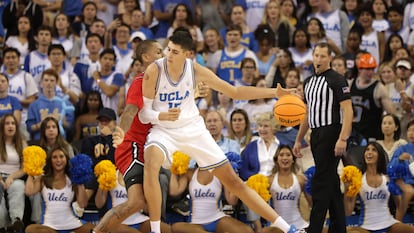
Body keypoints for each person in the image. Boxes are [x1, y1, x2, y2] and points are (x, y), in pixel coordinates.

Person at [140, 31, 304, 233]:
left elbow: (234, 92)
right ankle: (155, 231)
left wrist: (274, 92)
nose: (169, 55)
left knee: (234, 182)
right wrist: (161, 117)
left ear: (188, 54)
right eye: (168, 49)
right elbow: (144, 113)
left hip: (193, 129)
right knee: (151, 162)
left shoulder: (196, 70)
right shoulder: (154, 71)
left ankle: (288, 228)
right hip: (164, 129)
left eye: (175, 52)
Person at [91, 40, 165, 233]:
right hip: (132, 145)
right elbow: (129, 110)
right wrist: (121, 134)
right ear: (146, 57)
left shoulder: (165, 84)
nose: (163, 55)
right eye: (158, 52)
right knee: (136, 201)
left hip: (150, 147)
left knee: (140, 202)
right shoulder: (141, 81)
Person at [293, 42, 353, 233]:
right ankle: (339, 228)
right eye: (316, 55)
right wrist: (298, 139)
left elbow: (348, 110)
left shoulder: (337, 79)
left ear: (330, 58)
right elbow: (307, 114)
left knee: (320, 181)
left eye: (322, 56)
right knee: (330, 181)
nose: (318, 59)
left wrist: (343, 138)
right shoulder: (308, 82)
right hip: (316, 135)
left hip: (331, 132)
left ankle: (315, 228)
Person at [345, 142, 414, 233]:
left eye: (374, 150)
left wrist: (403, 191)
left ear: (380, 156)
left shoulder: (388, 178)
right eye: (367, 150)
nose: (369, 152)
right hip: (366, 228)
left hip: (389, 225)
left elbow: (400, 207)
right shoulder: (358, 180)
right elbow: (348, 211)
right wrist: (347, 191)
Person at [169, 161, 254, 233]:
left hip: (217, 219)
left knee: (247, 230)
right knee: (175, 227)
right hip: (195, 222)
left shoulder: (221, 172)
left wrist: (235, 180)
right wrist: (173, 170)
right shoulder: (189, 173)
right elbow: (174, 191)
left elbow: (232, 201)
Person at [24, 146, 95, 233]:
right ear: (50, 160)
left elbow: (83, 204)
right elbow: (28, 191)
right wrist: (31, 172)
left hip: (72, 225)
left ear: (66, 159)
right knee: (30, 229)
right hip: (49, 227)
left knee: (97, 230)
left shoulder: (73, 179)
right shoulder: (43, 179)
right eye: (55, 157)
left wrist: (80, 182)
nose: (58, 160)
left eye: (61, 156)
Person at [0, 114, 26, 232]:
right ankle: (3, 224)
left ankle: (16, 220)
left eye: (13, 123)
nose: (10, 126)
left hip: (15, 177)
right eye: (7, 123)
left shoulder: (22, 144)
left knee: (19, 186)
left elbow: (24, 168)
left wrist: (11, 177)